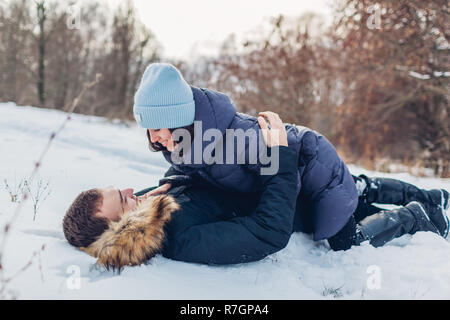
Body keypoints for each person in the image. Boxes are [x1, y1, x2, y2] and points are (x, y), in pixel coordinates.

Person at [62, 114, 449, 270]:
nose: (132, 190)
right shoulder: (183, 240)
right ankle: (417, 214)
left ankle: (435, 196)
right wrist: (278, 155)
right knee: (347, 235)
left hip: (282, 180)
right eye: (122, 198)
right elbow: (269, 232)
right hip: (291, 199)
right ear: (121, 229)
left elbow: (206, 181)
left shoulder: (151, 204)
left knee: (357, 187)